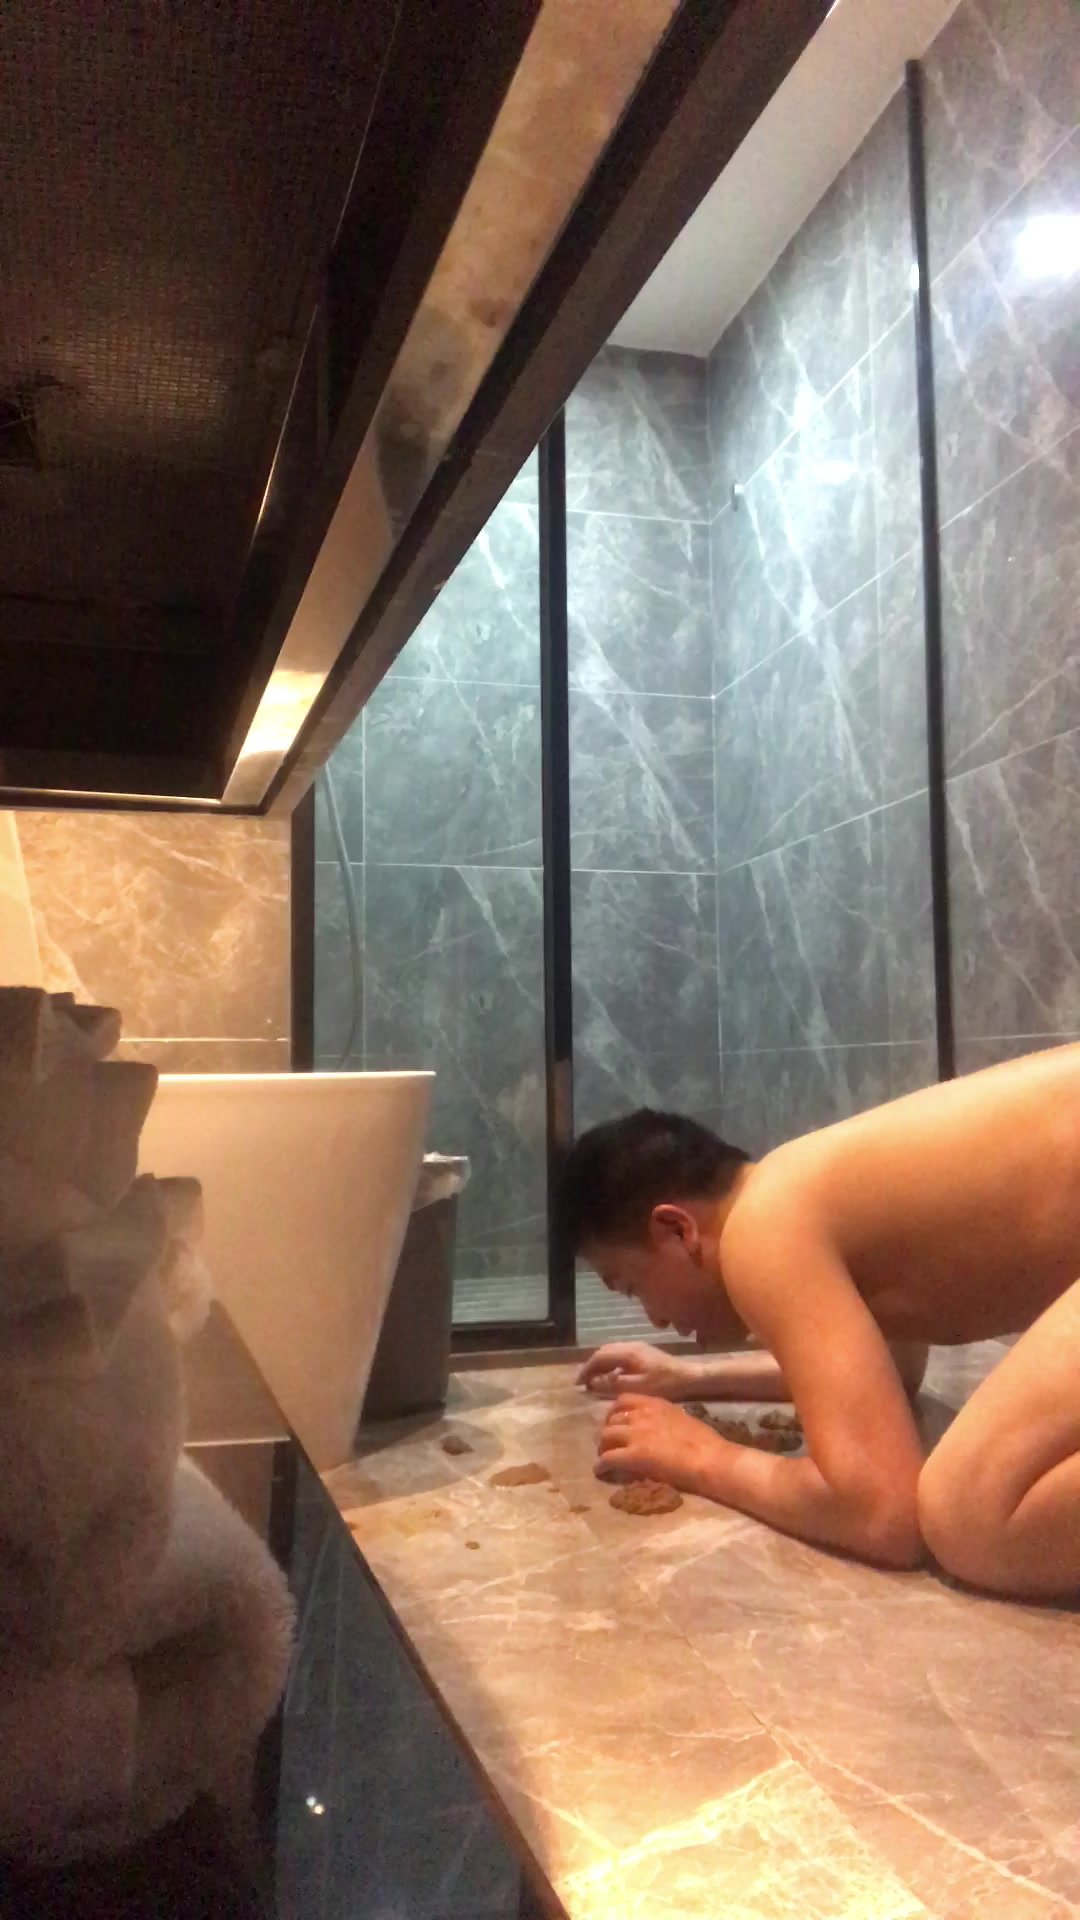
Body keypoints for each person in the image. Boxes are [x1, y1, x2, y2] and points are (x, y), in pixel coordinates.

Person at [563, 1045, 1080, 1600]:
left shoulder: (760, 1230)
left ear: (675, 1229)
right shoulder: (797, 1193)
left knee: (972, 1514)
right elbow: (886, 1378)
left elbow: (884, 1512)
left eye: (632, 1286)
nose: (654, 1318)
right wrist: (689, 1378)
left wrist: (702, 1456)